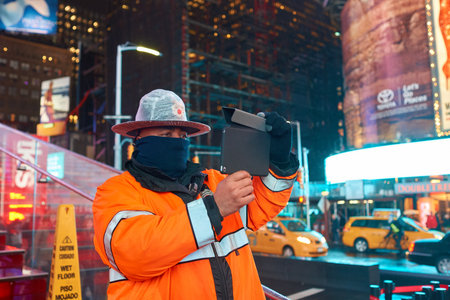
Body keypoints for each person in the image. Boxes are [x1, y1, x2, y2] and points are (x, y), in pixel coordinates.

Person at [93, 89, 299, 299]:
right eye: (166, 134)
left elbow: (263, 204)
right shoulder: (115, 192)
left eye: (182, 136)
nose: (177, 141)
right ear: (137, 137)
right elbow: (134, 253)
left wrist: (279, 162)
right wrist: (213, 209)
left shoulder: (213, 181)